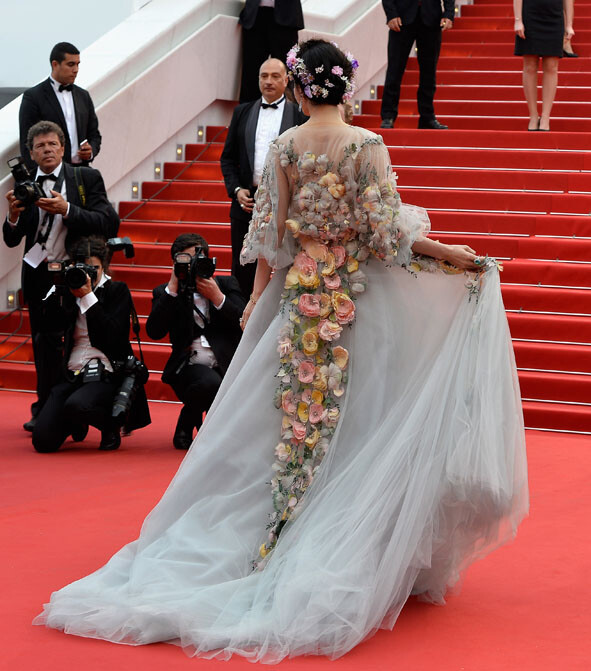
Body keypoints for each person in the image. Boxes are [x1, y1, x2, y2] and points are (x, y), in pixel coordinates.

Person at [34, 40, 528, 663]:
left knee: (292, 423)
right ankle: (344, 540)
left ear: (297, 89)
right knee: (359, 424)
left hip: (298, 305)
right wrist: (454, 258)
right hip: (358, 304)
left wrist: (255, 310)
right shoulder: (365, 146)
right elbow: (386, 239)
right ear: (346, 88)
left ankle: (286, 526)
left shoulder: (286, 148)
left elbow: (268, 242)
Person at [3, 120, 120, 431]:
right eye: (40, 146)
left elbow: (108, 221)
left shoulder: (85, 177)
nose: (47, 150)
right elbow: (12, 239)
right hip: (39, 275)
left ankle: (79, 409)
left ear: (63, 148)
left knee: (76, 340)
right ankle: (44, 408)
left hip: (76, 274)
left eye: (52, 144)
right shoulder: (25, 186)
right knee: (43, 344)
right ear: (31, 153)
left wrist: (67, 209)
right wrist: (13, 217)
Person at [31, 236, 151, 452]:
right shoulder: (68, 289)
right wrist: (56, 294)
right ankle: (75, 420)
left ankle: (109, 426)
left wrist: (88, 298)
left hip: (106, 371)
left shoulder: (117, 291)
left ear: (103, 266)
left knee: (78, 405)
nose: (87, 274)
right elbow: (46, 328)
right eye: (82, 268)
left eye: (93, 268)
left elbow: (114, 337)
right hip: (72, 371)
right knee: (42, 441)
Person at [145, 233, 246, 450]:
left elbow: (244, 322)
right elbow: (154, 332)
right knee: (210, 385)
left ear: (209, 261)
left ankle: (187, 420)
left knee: (219, 394)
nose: (192, 266)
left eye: (198, 259)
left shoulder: (226, 284)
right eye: (186, 260)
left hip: (225, 364)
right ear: (175, 263)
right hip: (188, 368)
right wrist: (172, 290)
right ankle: (202, 425)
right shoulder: (166, 292)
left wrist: (217, 297)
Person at [220, 58, 306, 300]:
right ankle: (242, 325)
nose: (269, 81)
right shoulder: (242, 112)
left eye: (275, 76)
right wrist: (236, 189)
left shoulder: (299, 114)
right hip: (245, 205)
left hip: (286, 206)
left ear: (287, 80)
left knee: (285, 266)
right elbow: (227, 159)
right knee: (242, 269)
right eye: (264, 76)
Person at [19, 42, 101, 170]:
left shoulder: (83, 95)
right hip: (51, 174)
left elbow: (94, 135)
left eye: (78, 64)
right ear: (55, 64)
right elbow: (27, 142)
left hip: (81, 172)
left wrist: (90, 152)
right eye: (71, 64)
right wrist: (41, 176)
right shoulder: (33, 97)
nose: (76, 70)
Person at [380, 0, 455, 129]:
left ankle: (427, 117)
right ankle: (388, 116)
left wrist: (448, 14)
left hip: (431, 19)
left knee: (429, 72)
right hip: (401, 19)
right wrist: (391, 14)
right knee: (395, 70)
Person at [514, 0, 575, 131]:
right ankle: (533, 115)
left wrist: (569, 24)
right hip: (529, 14)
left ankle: (546, 116)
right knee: (530, 65)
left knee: (551, 65)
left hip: (554, 16)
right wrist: (518, 19)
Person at [238, 0, 304, 103]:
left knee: (287, 72)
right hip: (255, 15)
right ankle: (248, 116)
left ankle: (288, 115)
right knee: (251, 73)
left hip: (286, 17)